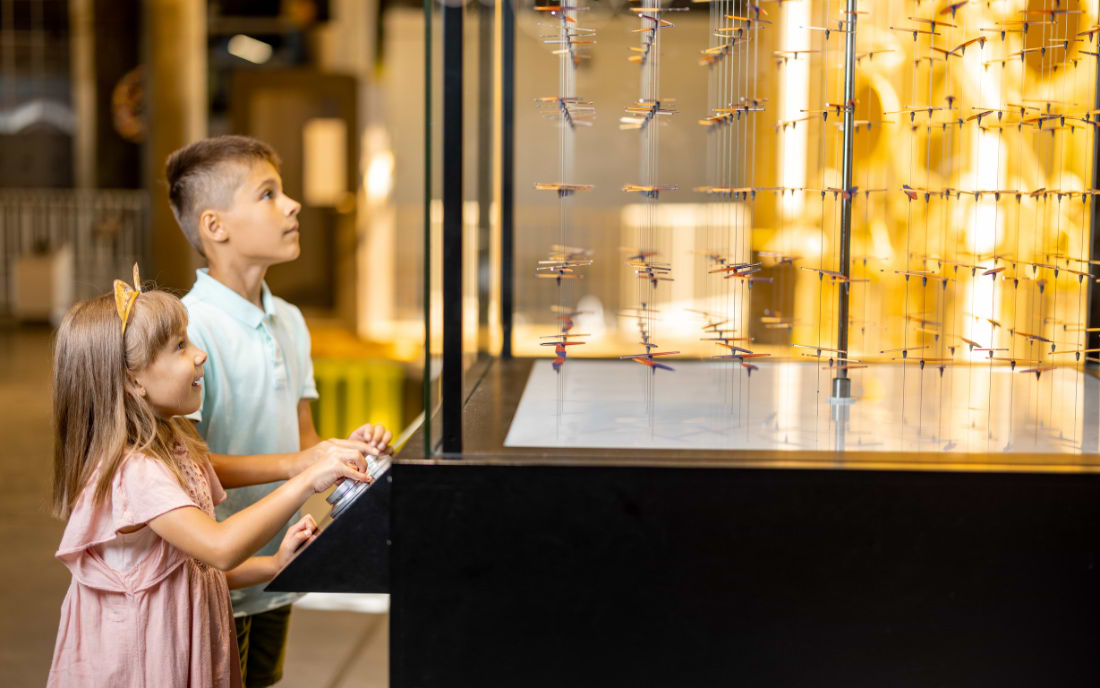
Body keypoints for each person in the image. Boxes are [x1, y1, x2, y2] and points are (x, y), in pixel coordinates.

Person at [47, 268, 374, 688]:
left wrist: (273, 565)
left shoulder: (180, 446)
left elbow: (191, 571)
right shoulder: (135, 472)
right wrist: (308, 476)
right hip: (144, 665)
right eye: (179, 346)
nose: (200, 354)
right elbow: (219, 548)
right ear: (133, 380)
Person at [166, 135, 394, 686]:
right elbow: (186, 470)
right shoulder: (188, 331)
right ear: (215, 226)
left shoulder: (289, 318)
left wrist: (343, 453)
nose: (292, 205)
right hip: (218, 576)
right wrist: (301, 465)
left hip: (279, 567)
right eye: (268, 194)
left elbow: (302, 440)